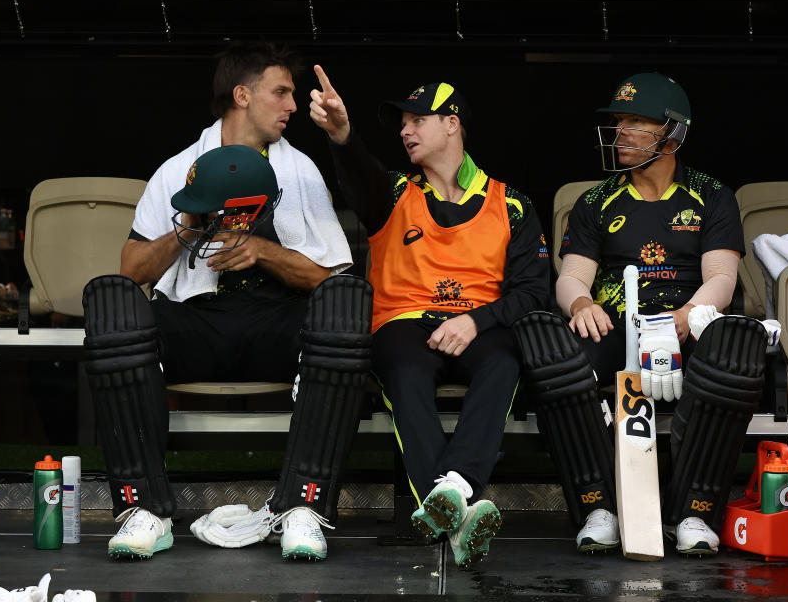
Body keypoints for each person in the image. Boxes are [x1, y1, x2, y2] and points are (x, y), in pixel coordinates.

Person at [81, 43, 368, 562]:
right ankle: (145, 509)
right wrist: (188, 224)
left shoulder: (300, 170)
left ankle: (303, 508)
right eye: (280, 93)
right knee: (110, 300)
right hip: (195, 323)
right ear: (242, 95)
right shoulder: (178, 170)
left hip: (277, 324)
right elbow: (131, 270)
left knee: (346, 301)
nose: (292, 106)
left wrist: (262, 250)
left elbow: (330, 277)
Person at [308, 66, 550, 567]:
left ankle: (454, 487)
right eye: (401, 123)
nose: (404, 130)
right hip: (404, 325)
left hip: (479, 324)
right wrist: (341, 135)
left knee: (504, 360)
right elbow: (360, 175)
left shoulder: (513, 204)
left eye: (417, 119)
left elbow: (532, 292)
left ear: (452, 124)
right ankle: (460, 506)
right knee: (406, 368)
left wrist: (476, 322)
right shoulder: (393, 192)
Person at [514, 72, 761, 557]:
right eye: (617, 121)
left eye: (634, 122)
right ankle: (597, 507)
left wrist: (685, 317)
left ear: (671, 132)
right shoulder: (595, 200)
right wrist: (581, 304)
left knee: (734, 356)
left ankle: (695, 512)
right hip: (615, 321)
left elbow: (722, 280)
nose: (620, 131)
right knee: (553, 355)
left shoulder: (712, 195)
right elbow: (571, 278)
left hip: (687, 323)